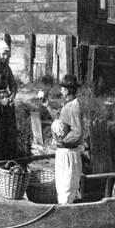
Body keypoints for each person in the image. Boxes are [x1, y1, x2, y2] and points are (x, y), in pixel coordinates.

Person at [52, 75, 84, 204]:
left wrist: (63, 141)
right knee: (63, 188)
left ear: (66, 90)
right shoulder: (67, 106)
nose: (61, 91)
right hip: (64, 153)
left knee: (66, 189)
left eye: (63, 88)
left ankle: (66, 216)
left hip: (68, 153)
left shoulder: (73, 107)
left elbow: (77, 132)